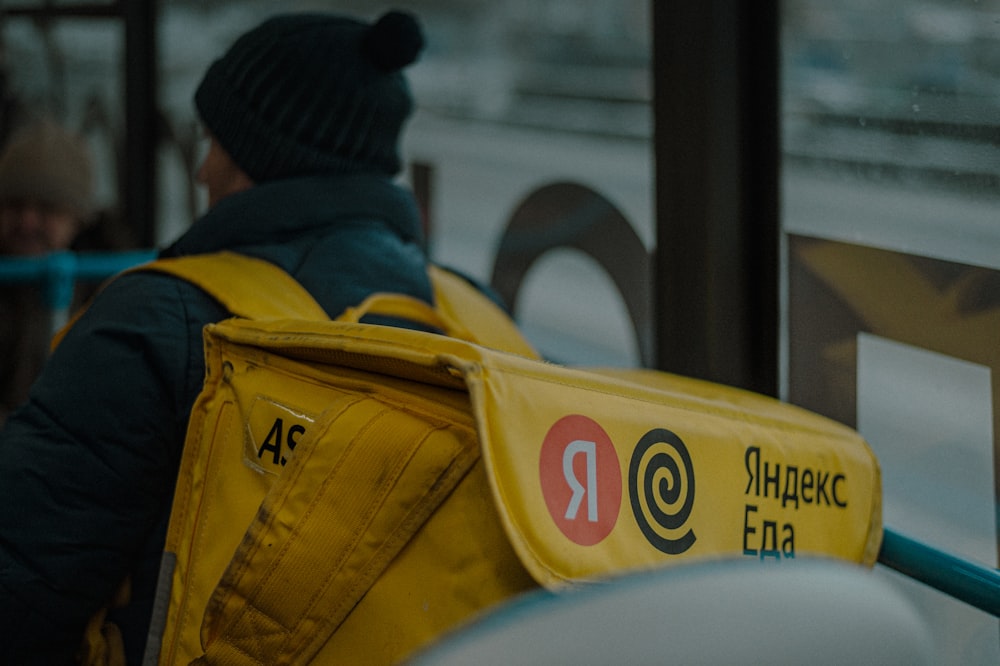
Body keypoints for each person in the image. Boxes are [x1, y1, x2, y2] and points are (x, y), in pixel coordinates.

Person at [0, 10, 428, 663]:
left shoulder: (156, 318)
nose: (200, 172)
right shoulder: (466, 317)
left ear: (260, 153)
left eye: (213, 141)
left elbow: (19, 586)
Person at [0, 118, 97, 426]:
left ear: (77, 217)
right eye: (15, 205)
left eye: (46, 208)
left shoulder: (110, 292)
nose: (28, 222)